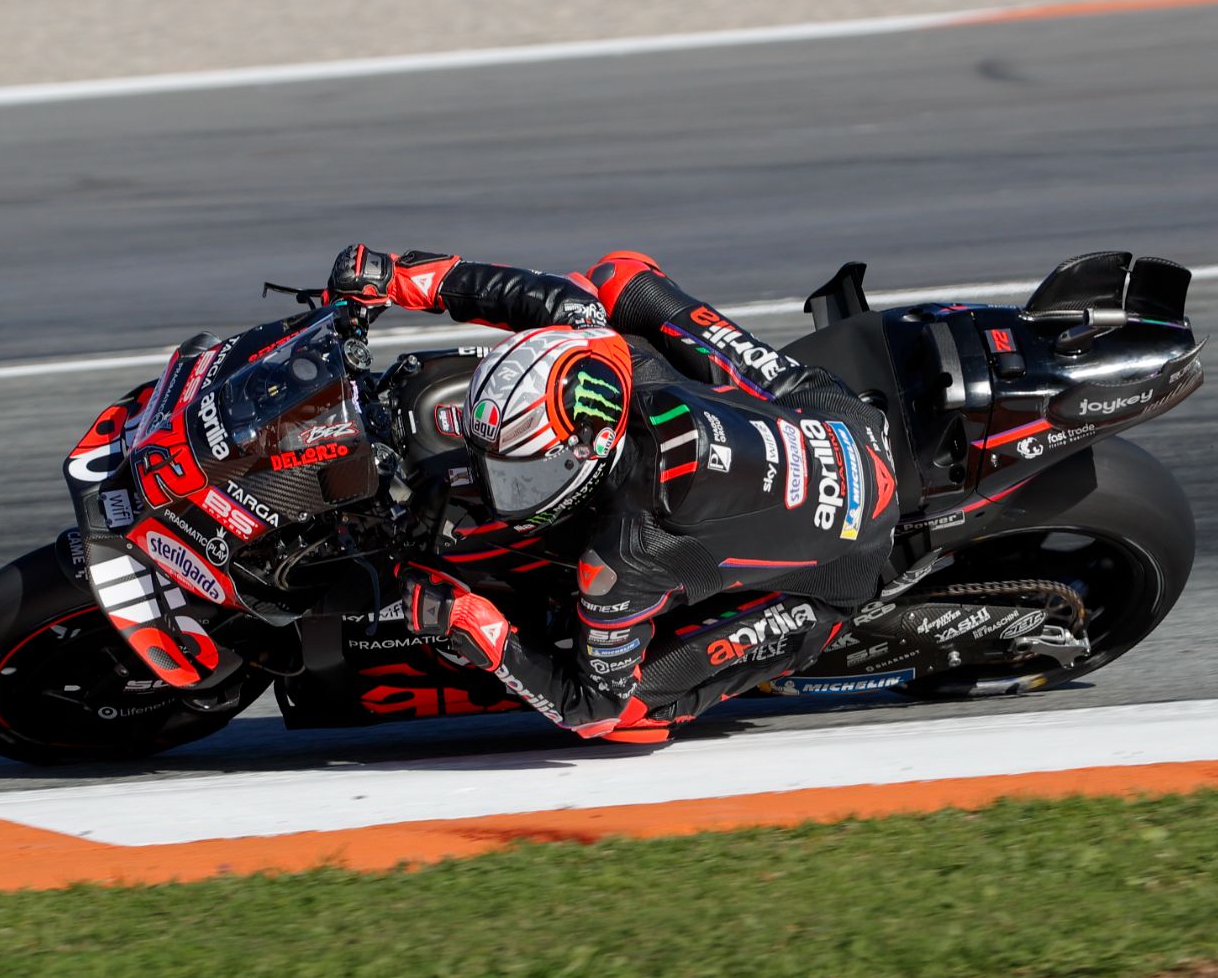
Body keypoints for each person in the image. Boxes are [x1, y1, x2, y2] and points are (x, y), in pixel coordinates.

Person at [327, 245, 899, 742]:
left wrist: (477, 623)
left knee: (625, 717)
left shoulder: (622, 557)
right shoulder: (610, 352)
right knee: (619, 277)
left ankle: (799, 628)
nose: (494, 488)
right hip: (834, 413)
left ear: (582, 459)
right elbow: (548, 297)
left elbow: (587, 706)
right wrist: (401, 278)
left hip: (844, 563)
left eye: (517, 476)